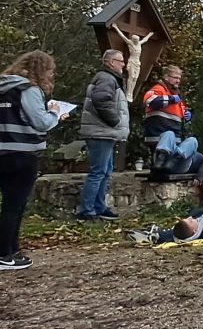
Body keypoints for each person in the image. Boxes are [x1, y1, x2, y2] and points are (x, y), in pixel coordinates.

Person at [0, 51, 69, 270]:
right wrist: (55, 114)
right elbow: (40, 122)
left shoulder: (3, 87)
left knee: (9, 205)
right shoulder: (28, 89)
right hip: (21, 152)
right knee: (15, 205)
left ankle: (12, 250)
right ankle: (4, 254)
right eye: (50, 70)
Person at [77, 49, 130, 221]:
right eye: (121, 61)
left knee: (105, 171)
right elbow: (101, 99)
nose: (124, 64)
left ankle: (99, 207)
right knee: (98, 172)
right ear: (111, 62)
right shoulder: (106, 78)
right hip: (100, 132)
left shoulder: (109, 78)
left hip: (104, 132)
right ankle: (87, 210)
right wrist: (115, 121)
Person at [142, 65, 190, 157]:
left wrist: (186, 114)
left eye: (179, 78)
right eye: (175, 77)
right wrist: (170, 99)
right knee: (160, 161)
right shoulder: (158, 89)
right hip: (158, 135)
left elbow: (179, 110)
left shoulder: (175, 93)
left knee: (192, 142)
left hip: (175, 137)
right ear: (166, 77)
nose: (178, 81)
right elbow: (149, 101)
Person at [111, 24, 153, 103]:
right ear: (133, 40)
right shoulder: (130, 43)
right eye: (135, 40)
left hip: (137, 62)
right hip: (132, 61)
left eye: (137, 40)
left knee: (135, 78)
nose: (137, 41)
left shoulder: (139, 44)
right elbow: (123, 37)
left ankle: (131, 93)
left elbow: (145, 39)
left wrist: (149, 35)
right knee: (131, 77)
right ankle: (128, 93)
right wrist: (116, 28)